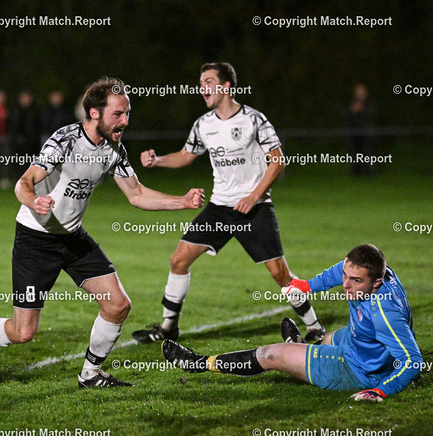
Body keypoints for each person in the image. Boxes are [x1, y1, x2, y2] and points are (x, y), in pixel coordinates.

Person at [0, 77, 205, 389]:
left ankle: (90, 374)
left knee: (117, 305)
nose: (125, 121)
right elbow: (23, 182)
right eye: (118, 114)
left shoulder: (113, 148)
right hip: (35, 239)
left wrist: (182, 201)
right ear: (94, 113)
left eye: (127, 113)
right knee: (23, 332)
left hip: (72, 238)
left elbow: (137, 194)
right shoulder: (65, 140)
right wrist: (33, 200)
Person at [133, 62, 323, 344]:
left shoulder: (254, 120)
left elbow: (278, 161)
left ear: (226, 86)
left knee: (279, 273)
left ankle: (314, 326)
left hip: (255, 209)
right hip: (219, 208)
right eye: (200, 83)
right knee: (179, 260)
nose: (202, 88)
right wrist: (157, 160)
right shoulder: (203, 124)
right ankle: (168, 327)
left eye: (208, 82)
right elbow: (186, 155)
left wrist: (254, 196)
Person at [162, 244, 422, 402]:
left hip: (359, 370)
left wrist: (381, 391)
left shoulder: (383, 313)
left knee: (272, 354)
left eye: (355, 281)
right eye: (346, 275)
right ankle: (299, 345)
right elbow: (338, 271)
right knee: (327, 339)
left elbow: (412, 360)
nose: (345, 285)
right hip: (361, 343)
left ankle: (198, 363)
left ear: (376, 283)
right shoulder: (379, 271)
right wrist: (306, 286)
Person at [347, 83, 376, 177]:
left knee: (367, 152)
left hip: (365, 132)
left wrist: (362, 110)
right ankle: (356, 172)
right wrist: (353, 111)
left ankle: (371, 172)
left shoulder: (369, 104)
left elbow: (372, 115)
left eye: (361, 93)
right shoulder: (351, 104)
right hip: (354, 133)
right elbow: (348, 117)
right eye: (358, 93)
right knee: (354, 152)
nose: (359, 95)